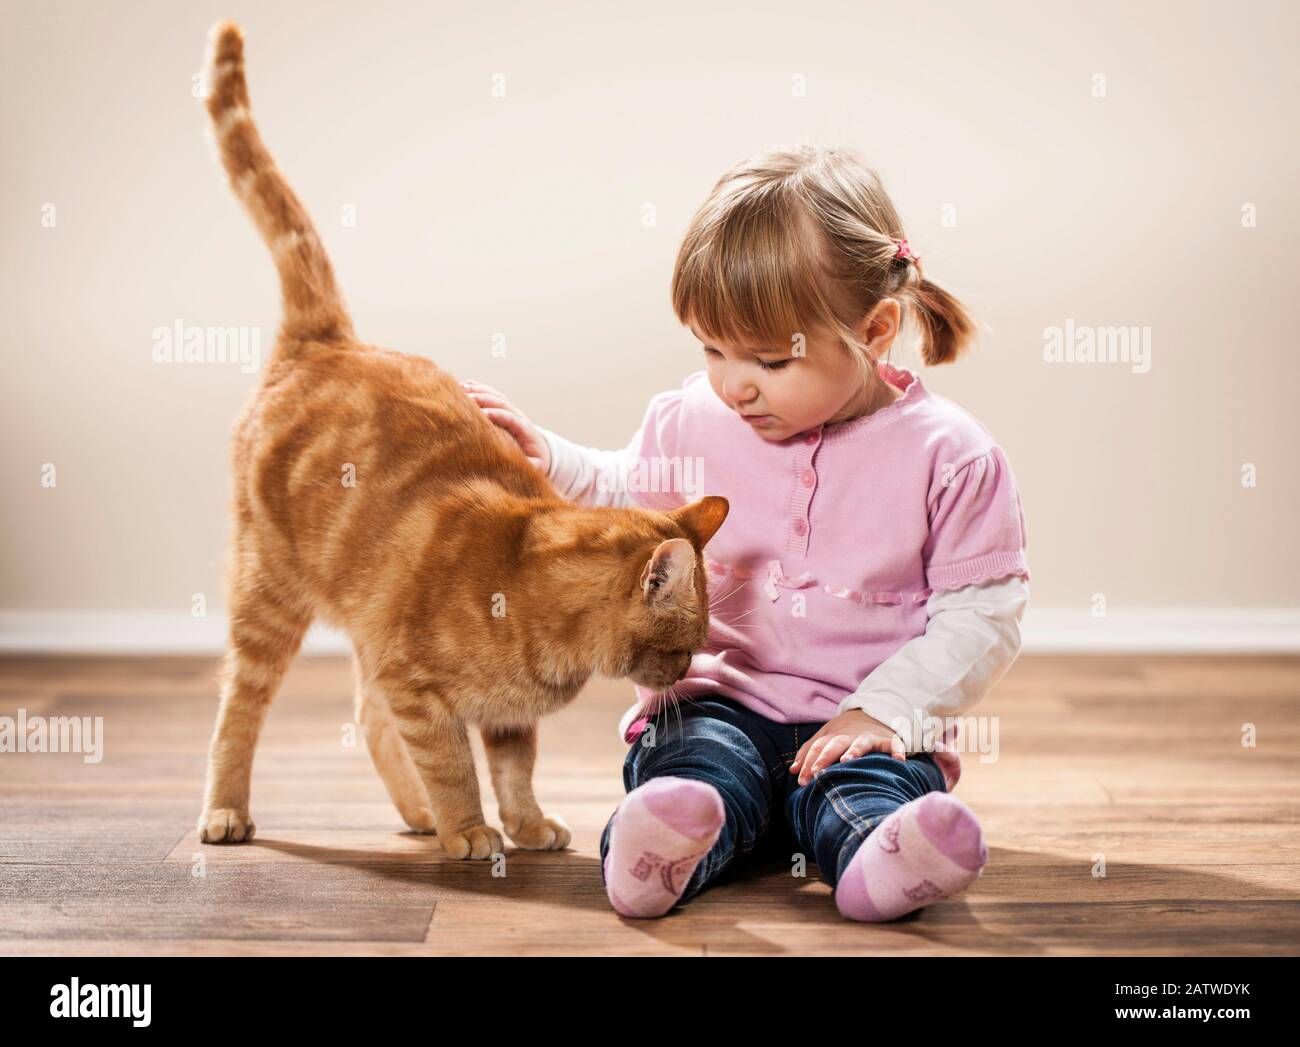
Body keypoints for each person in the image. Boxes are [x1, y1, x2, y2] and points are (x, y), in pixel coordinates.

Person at [464, 145, 1030, 921]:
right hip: (719, 699)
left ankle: (885, 859)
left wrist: (887, 710)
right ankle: (664, 846)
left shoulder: (950, 456)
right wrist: (549, 455)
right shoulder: (695, 417)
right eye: (711, 348)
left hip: (860, 720)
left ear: (875, 329)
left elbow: (982, 614)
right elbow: (631, 496)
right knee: (694, 764)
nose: (734, 384)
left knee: (862, 789)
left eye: (769, 358)